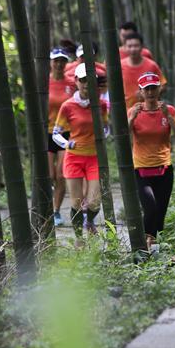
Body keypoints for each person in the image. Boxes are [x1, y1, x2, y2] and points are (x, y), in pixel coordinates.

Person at [128, 72, 175, 254]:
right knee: (150, 208)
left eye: (154, 88)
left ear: (159, 89)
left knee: (160, 212)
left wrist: (168, 116)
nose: (151, 92)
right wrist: (131, 119)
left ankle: (153, 250)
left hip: (164, 168)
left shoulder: (169, 110)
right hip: (140, 168)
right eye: (147, 89)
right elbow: (119, 137)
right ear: (141, 92)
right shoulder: (134, 111)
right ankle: (140, 246)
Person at [52, 62, 109, 238]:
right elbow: (56, 133)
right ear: (76, 81)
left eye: (89, 80)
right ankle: (79, 239)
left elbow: (106, 128)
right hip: (74, 157)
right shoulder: (68, 106)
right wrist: (67, 144)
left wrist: (103, 136)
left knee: (94, 201)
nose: (86, 84)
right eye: (82, 80)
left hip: (94, 157)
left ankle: (90, 220)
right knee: (76, 203)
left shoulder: (100, 105)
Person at [47, 46, 76, 227]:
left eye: (62, 61)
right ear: (50, 62)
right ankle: (45, 206)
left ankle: (56, 211)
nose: (59, 64)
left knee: (60, 174)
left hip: (65, 132)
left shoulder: (72, 83)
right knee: (48, 174)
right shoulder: (43, 82)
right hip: (46, 132)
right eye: (56, 60)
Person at [120, 32, 166, 109]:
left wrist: (147, 93)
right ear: (124, 48)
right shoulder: (120, 66)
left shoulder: (151, 65)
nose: (133, 49)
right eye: (130, 46)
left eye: (136, 46)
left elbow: (163, 85)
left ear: (142, 47)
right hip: (126, 111)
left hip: (150, 110)